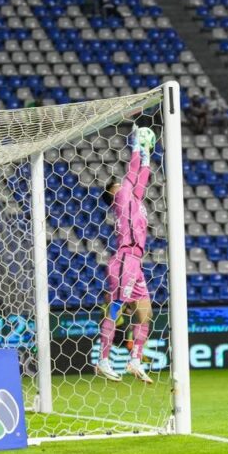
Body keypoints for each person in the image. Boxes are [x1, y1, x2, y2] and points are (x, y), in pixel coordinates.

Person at [96, 127, 157, 383]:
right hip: (123, 259)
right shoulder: (121, 197)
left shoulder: (135, 200)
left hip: (136, 262)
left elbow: (141, 177)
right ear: (113, 192)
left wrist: (147, 158)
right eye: (118, 183)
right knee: (117, 307)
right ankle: (103, 359)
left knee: (145, 313)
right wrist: (135, 147)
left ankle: (134, 361)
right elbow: (133, 174)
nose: (123, 183)